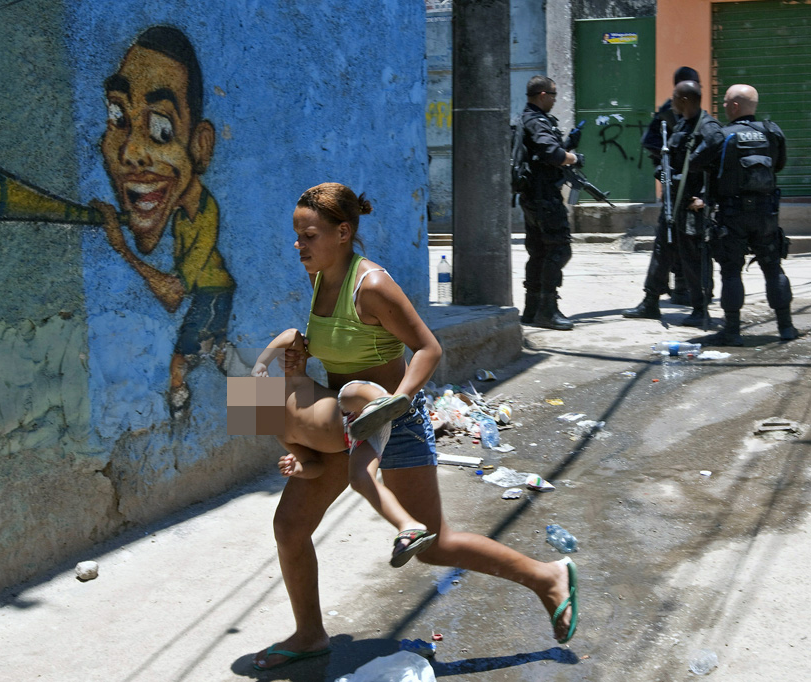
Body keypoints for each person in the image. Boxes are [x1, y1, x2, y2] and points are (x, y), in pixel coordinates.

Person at [252, 182, 579, 672]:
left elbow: (429, 348)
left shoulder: (375, 286)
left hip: (392, 420)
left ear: (343, 233)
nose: (298, 245)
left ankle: (547, 576)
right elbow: (336, 366)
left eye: (309, 235)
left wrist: (399, 401)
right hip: (344, 418)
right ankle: (309, 634)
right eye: (297, 235)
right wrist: (297, 377)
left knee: (434, 544)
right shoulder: (321, 277)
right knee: (287, 522)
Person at [92, 25, 235, 419]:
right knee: (215, 356)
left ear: (201, 146)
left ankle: (186, 415)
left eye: (161, 128)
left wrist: (121, 246)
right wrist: (123, 216)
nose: (131, 153)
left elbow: (173, 292)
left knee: (181, 364)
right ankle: (261, 411)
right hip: (213, 293)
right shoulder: (181, 204)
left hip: (213, 293)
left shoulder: (206, 213)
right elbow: (143, 209)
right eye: (117, 115)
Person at [252, 328, 437, 568]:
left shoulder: (292, 380)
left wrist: (261, 362)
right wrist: (299, 468)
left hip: (358, 407)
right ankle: (409, 527)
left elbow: (291, 336)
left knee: (348, 393)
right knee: (360, 479)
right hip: (356, 439)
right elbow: (315, 466)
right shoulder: (283, 434)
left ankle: (381, 403)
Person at [691, 84, 800, 345]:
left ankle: (731, 331)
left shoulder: (722, 136)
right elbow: (779, 164)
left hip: (732, 215)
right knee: (773, 267)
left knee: (731, 271)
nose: (724, 106)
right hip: (766, 214)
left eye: (726, 102)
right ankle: (786, 327)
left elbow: (694, 163)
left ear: (735, 106)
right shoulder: (772, 133)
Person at [625, 81, 720, 327]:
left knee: (693, 257)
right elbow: (670, 170)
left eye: (676, 97)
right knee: (662, 252)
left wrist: (707, 199)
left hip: (691, 206)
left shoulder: (708, 129)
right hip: (673, 204)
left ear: (685, 100)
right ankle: (650, 301)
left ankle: (700, 308)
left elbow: (720, 168)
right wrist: (663, 174)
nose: (673, 101)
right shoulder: (681, 126)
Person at [517, 76, 582, 331]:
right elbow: (551, 154)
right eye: (553, 95)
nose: (555, 99)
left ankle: (532, 309)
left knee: (539, 252)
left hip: (534, 196)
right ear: (542, 95)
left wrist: (568, 144)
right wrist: (573, 157)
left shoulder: (526, 119)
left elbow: (542, 153)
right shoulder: (536, 121)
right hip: (544, 197)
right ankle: (547, 310)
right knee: (558, 250)